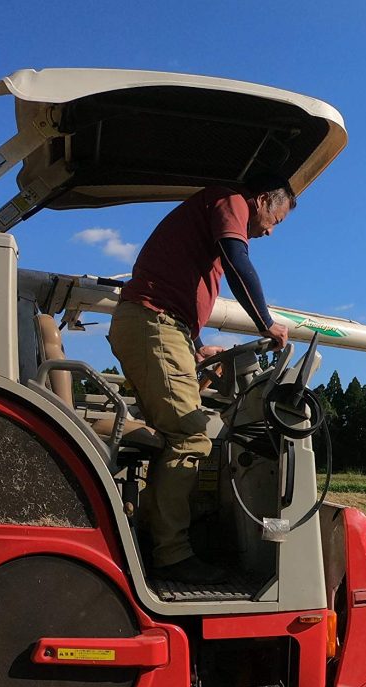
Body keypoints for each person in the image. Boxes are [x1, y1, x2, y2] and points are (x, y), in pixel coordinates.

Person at [108, 177, 293, 584]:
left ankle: (157, 540)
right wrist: (266, 322)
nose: (269, 231)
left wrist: (194, 347)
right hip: (154, 323)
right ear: (262, 199)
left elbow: (179, 293)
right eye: (274, 219)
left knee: (175, 433)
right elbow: (237, 261)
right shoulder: (230, 202)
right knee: (191, 436)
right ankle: (172, 556)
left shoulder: (208, 216)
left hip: (158, 326)